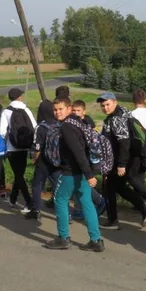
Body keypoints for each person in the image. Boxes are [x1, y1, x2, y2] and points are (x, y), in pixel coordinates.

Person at [43, 97, 105, 252]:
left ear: (69, 108)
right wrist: (88, 172)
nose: (57, 112)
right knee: (87, 203)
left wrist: (89, 174)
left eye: (61, 109)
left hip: (71, 171)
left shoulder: (67, 127)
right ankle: (96, 240)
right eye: (55, 110)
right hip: (83, 172)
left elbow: (78, 151)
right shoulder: (78, 122)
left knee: (60, 200)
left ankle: (63, 238)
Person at [98, 91, 146, 230]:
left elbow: (124, 142)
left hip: (118, 160)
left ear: (114, 102)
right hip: (126, 159)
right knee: (120, 187)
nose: (105, 108)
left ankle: (113, 220)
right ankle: (144, 206)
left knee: (109, 188)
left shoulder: (116, 118)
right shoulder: (125, 112)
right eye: (103, 105)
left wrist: (121, 164)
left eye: (107, 104)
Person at [0, 87, 37, 212]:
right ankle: (13, 199)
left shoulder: (6, 112)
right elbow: (35, 126)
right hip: (25, 147)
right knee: (19, 174)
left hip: (12, 147)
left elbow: (2, 132)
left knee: (18, 175)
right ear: (20, 97)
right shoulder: (26, 109)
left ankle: (29, 202)